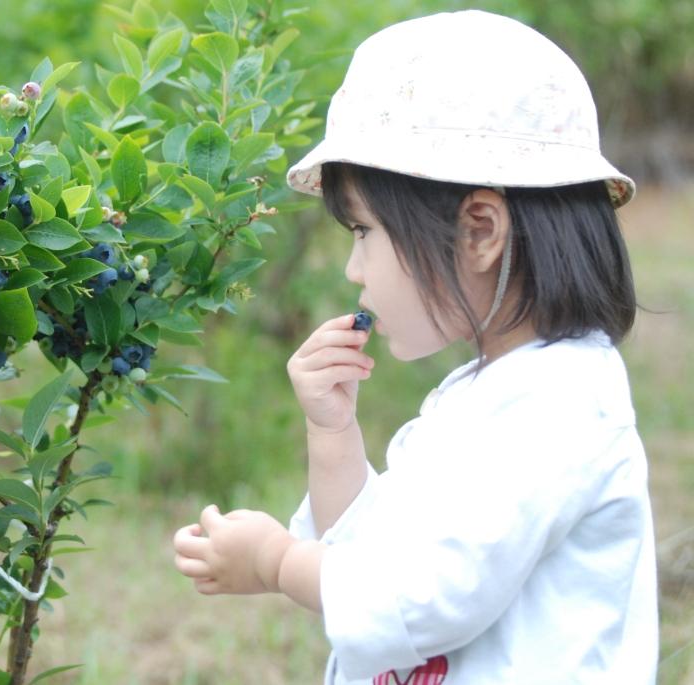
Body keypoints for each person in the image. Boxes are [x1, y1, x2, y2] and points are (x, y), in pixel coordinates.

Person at [172, 9, 658, 684]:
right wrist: (334, 433)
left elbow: (419, 597)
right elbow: (376, 553)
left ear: (479, 231)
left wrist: (277, 562)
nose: (353, 268)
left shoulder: (561, 408)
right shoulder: (490, 392)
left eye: (365, 231)